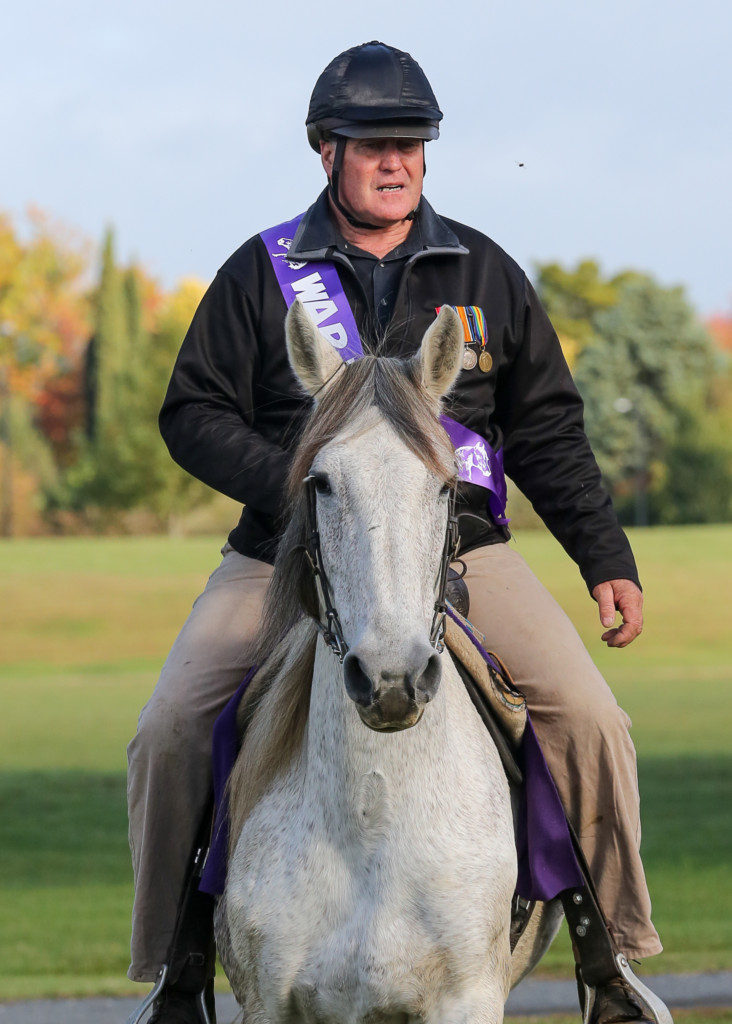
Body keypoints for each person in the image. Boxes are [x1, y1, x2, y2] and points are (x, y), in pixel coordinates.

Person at [127, 41, 669, 1024]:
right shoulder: (262, 273)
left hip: (462, 549)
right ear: (324, 151)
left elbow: (546, 427)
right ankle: (181, 969)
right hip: (284, 552)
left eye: (411, 144)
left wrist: (606, 559)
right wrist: (297, 487)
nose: (397, 162)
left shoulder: (483, 271)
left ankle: (610, 961)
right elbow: (192, 411)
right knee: (167, 729)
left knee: (592, 718)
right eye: (374, 144)